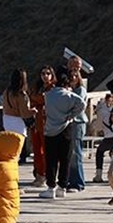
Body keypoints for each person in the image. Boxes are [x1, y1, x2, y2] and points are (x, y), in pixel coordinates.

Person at [40, 69, 87, 199]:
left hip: (51, 130)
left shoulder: (48, 95)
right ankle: (62, 187)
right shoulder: (69, 95)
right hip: (66, 128)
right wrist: (71, 116)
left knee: (51, 160)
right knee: (65, 159)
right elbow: (82, 104)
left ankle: (51, 187)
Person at [27, 67, 55, 188]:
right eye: (42, 73)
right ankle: (39, 174)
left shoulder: (53, 88)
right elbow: (30, 100)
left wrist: (36, 99)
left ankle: (47, 175)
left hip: (47, 124)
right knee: (37, 151)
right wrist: (36, 99)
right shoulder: (37, 87)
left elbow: (45, 99)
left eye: (48, 73)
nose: (45, 76)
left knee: (47, 151)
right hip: (35, 123)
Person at [92, 77, 113, 183]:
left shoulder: (102, 109)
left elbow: (98, 126)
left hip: (108, 137)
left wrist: (99, 107)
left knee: (100, 152)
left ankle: (98, 175)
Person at [67, 68, 89, 193]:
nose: (73, 78)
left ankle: (78, 182)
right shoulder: (71, 90)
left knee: (76, 153)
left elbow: (78, 105)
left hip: (78, 122)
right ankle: (71, 180)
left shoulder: (81, 90)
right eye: (71, 76)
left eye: (75, 76)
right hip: (71, 123)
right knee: (71, 153)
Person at [1, 68, 36, 137]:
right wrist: (33, 111)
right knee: (19, 145)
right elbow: (25, 113)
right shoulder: (21, 95)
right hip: (17, 123)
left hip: (6, 121)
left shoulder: (6, 92)